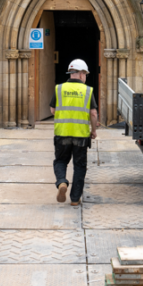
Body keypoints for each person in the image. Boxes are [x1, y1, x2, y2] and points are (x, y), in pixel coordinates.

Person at [51, 59, 98, 206]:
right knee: (79, 166)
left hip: (62, 134)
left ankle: (61, 183)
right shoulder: (87, 90)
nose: (86, 77)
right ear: (81, 74)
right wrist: (94, 130)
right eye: (86, 74)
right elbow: (94, 113)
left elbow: (52, 110)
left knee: (60, 161)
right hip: (81, 136)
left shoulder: (59, 88)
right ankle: (75, 199)